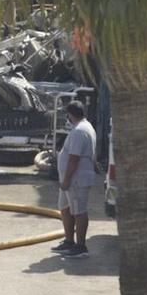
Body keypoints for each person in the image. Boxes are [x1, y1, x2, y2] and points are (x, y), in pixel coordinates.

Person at [54, 100, 98, 259]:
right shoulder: (83, 128)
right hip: (70, 180)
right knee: (65, 209)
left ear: (70, 115)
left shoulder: (80, 131)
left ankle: (81, 246)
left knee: (78, 211)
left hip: (76, 180)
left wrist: (66, 179)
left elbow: (74, 158)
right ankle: (69, 241)